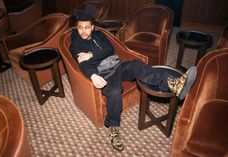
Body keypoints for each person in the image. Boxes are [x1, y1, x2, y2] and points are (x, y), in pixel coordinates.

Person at [69, 5, 197, 152]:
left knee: (136, 65)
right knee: (115, 91)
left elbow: (109, 50)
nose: (83, 31)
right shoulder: (76, 44)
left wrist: (91, 54)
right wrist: (93, 75)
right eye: (80, 28)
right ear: (77, 27)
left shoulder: (100, 35)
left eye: (86, 27)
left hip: (116, 66)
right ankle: (113, 127)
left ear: (92, 28)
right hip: (102, 74)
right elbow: (83, 64)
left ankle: (172, 83)